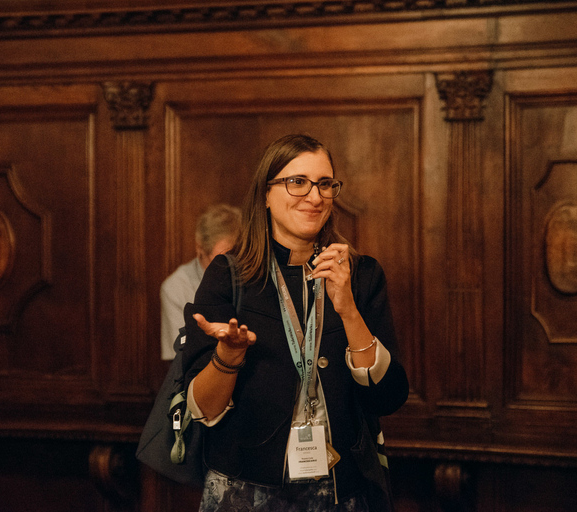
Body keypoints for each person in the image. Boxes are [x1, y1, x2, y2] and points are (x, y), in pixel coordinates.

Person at [182, 134, 409, 511]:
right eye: (297, 182)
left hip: (339, 489)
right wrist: (229, 354)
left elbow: (387, 398)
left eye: (324, 184)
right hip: (242, 490)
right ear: (266, 195)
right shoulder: (230, 275)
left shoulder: (362, 274)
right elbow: (201, 410)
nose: (315, 196)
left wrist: (348, 309)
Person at [160, 203, 242, 360]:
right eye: (222, 258)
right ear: (200, 249)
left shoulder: (254, 275)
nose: (232, 265)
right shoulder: (176, 287)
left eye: (238, 256)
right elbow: (179, 356)